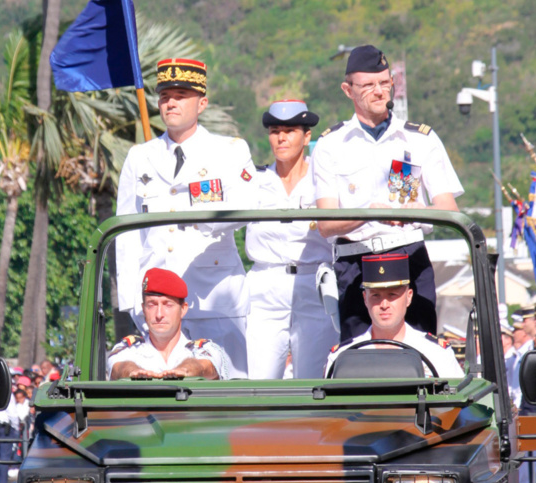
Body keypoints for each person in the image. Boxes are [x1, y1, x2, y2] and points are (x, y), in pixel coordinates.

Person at [115, 58, 258, 378]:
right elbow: (126, 234)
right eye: (165, 96)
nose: (171, 103)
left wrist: (198, 215)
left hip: (214, 296)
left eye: (181, 96)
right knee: (161, 391)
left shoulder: (229, 150)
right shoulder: (141, 156)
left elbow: (250, 204)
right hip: (158, 302)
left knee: (227, 385)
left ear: (201, 103)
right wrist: (133, 300)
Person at [312, 44, 463, 340]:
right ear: (348, 90)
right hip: (355, 261)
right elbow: (326, 224)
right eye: (368, 85)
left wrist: (417, 213)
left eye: (384, 83)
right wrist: (369, 214)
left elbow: (449, 210)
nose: (379, 91)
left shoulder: (421, 139)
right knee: (358, 353)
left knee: (420, 350)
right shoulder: (331, 145)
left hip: (408, 254)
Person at [245, 99, 337, 378]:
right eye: (274, 131)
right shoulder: (254, 181)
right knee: (259, 381)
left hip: (314, 283)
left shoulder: (323, 181)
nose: (281, 138)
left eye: (290, 131)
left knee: (314, 381)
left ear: (307, 137)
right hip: (265, 285)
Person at [325, 253, 463, 378]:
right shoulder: (343, 357)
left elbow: (459, 397)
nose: (384, 304)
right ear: (365, 298)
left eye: (392, 295)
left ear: (409, 297)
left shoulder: (436, 354)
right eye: (376, 295)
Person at [107, 267, 228, 380]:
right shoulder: (128, 349)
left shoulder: (203, 349)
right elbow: (118, 368)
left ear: (183, 309)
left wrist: (185, 370)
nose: (159, 314)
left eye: (168, 305)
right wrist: (133, 372)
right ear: (143, 309)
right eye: (152, 305)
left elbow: (205, 366)